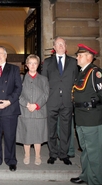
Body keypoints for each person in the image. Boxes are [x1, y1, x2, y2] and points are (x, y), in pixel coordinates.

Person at [41, 37, 78, 165]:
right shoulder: (47, 62)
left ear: (66, 46)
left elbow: (76, 81)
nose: (61, 46)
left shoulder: (73, 62)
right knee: (51, 130)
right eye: (58, 44)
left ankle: (64, 154)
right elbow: (44, 82)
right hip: (51, 101)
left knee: (65, 130)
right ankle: (53, 154)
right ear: (54, 47)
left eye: (63, 44)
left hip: (67, 101)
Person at [70, 44, 102, 185]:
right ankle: (85, 176)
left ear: (89, 57)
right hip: (81, 118)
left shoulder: (96, 73)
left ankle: (95, 181)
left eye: (80, 55)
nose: (77, 57)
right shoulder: (82, 72)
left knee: (94, 153)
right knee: (85, 149)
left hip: (92, 118)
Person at [16, 54, 49, 166]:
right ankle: (27, 155)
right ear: (26, 65)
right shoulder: (21, 79)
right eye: (30, 63)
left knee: (38, 135)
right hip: (25, 111)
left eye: (35, 63)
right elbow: (18, 94)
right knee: (26, 134)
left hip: (39, 111)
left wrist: (36, 105)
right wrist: (27, 104)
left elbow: (46, 94)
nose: (33, 65)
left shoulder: (44, 79)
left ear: (38, 65)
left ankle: (38, 156)